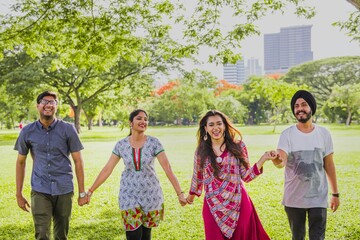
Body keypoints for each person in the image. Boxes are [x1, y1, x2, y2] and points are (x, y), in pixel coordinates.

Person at [87, 109, 186, 240]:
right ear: (130, 122)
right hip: (128, 194)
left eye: (145, 119)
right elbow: (107, 169)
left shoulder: (154, 143)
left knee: (146, 235)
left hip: (151, 194)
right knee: (133, 234)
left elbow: (167, 168)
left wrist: (180, 193)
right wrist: (91, 190)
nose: (143, 121)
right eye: (139, 118)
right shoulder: (121, 145)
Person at [185, 110, 277, 240]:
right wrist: (189, 198)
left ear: (224, 126)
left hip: (239, 202)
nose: (215, 128)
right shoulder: (201, 151)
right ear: (205, 128)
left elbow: (246, 176)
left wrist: (263, 159)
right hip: (213, 205)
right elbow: (197, 177)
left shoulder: (238, 146)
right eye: (211, 125)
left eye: (219, 124)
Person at [14, 90, 87, 240]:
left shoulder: (68, 129)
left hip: (64, 189)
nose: (48, 105)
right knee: (42, 234)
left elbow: (78, 161)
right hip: (40, 189)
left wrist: (82, 192)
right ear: (38, 106)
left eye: (52, 102)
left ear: (57, 106)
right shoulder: (27, 132)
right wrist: (18, 193)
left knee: (61, 235)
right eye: (45, 102)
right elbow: (21, 162)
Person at [272, 90, 340, 240]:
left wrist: (335, 194)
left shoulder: (324, 134)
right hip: (294, 199)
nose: (300, 109)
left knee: (318, 237)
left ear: (311, 108)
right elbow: (281, 161)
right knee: (298, 237)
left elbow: (329, 165)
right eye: (296, 106)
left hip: (318, 197)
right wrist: (276, 159)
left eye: (304, 104)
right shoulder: (287, 134)